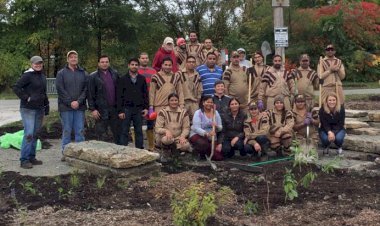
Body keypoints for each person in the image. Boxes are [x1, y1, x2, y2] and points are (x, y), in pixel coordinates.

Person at [13, 56, 49, 169]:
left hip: (39, 109)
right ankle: (24, 160)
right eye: (36, 63)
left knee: (35, 134)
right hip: (28, 109)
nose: (38, 65)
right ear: (32, 64)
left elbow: (43, 92)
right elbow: (16, 87)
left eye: (40, 63)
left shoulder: (43, 76)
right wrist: (26, 97)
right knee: (28, 134)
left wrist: (46, 105)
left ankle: (32, 157)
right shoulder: (27, 75)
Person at [56, 50, 87, 156]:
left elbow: (86, 89)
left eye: (75, 57)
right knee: (67, 131)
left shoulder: (83, 73)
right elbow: (60, 89)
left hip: (80, 107)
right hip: (65, 107)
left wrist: (78, 101)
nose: (73, 59)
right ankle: (66, 153)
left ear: (77, 59)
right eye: (71, 57)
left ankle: (81, 155)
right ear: (68, 59)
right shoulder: (61, 73)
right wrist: (70, 102)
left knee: (80, 131)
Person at [87, 55, 121, 144]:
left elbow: (120, 92)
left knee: (117, 134)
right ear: (98, 63)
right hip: (101, 110)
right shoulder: (93, 76)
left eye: (106, 62)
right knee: (101, 135)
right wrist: (93, 109)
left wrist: (121, 108)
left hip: (114, 109)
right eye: (102, 62)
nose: (104, 64)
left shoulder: (115, 74)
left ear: (109, 63)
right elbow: (90, 94)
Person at [116, 58, 148, 149]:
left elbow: (145, 94)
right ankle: (123, 150)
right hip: (126, 109)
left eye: (136, 65)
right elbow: (119, 96)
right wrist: (120, 111)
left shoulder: (142, 79)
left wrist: (145, 108)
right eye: (132, 64)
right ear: (128, 66)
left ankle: (139, 150)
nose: (134, 66)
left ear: (138, 66)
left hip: (138, 109)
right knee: (124, 131)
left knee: (139, 131)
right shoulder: (122, 79)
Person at [155, 93, 191, 161]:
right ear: (168, 101)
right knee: (167, 140)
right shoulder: (163, 112)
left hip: (178, 137)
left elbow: (186, 128)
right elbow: (157, 128)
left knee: (186, 146)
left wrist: (183, 136)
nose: (174, 102)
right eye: (172, 100)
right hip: (165, 137)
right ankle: (166, 152)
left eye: (175, 100)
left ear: (178, 101)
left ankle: (175, 151)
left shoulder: (183, 112)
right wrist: (166, 131)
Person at [190, 95, 223, 160]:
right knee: (203, 144)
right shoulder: (198, 113)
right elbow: (196, 128)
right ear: (203, 103)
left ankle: (206, 154)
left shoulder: (215, 112)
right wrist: (207, 134)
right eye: (207, 102)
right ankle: (198, 153)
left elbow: (220, 127)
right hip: (198, 135)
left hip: (212, 137)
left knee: (218, 157)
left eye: (211, 102)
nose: (209, 104)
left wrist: (216, 126)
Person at [138, 52, 157, 151]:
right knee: (137, 124)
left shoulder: (153, 71)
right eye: (142, 58)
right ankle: (138, 146)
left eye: (146, 58)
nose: (144, 60)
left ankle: (151, 146)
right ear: (139, 59)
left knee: (150, 123)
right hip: (139, 101)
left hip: (151, 101)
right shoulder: (135, 70)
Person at [178, 56, 203, 120]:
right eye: (189, 62)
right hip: (183, 103)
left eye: (193, 62)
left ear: (195, 64)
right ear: (186, 63)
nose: (191, 63)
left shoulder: (197, 75)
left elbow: (200, 90)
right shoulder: (179, 74)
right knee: (182, 121)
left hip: (194, 103)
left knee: (195, 122)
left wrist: (197, 101)